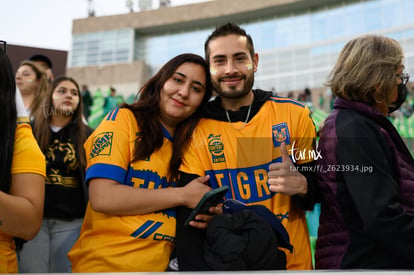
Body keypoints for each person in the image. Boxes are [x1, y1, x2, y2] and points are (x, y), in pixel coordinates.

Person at [175, 22, 318, 270]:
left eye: (240, 59)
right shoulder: (192, 129)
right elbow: (189, 222)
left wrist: (305, 185)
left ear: (255, 61)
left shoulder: (294, 114)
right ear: (209, 68)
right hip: (227, 264)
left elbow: (323, 190)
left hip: (294, 264)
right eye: (219, 61)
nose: (230, 69)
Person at [68, 53, 214, 272]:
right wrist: (182, 195)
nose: (183, 92)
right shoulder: (123, 120)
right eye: (178, 80)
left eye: (196, 88)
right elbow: (103, 197)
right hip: (105, 265)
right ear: (161, 80)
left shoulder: (193, 145)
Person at [315, 34, 414, 269]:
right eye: (398, 75)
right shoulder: (354, 128)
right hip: (364, 261)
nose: (402, 83)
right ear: (377, 81)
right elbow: (381, 217)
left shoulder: (358, 122)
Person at [17, 76, 93, 273]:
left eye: (74, 93)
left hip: (72, 222)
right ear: (49, 96)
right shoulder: (29, 131)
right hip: (33, 222)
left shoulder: (90, 135)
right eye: (62, 91)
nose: (69, 95)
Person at [0, 44, 46, 273]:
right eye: (19, 74)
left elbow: (28, 224)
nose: (21, 78)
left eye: (27, 74)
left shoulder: (21, 137)